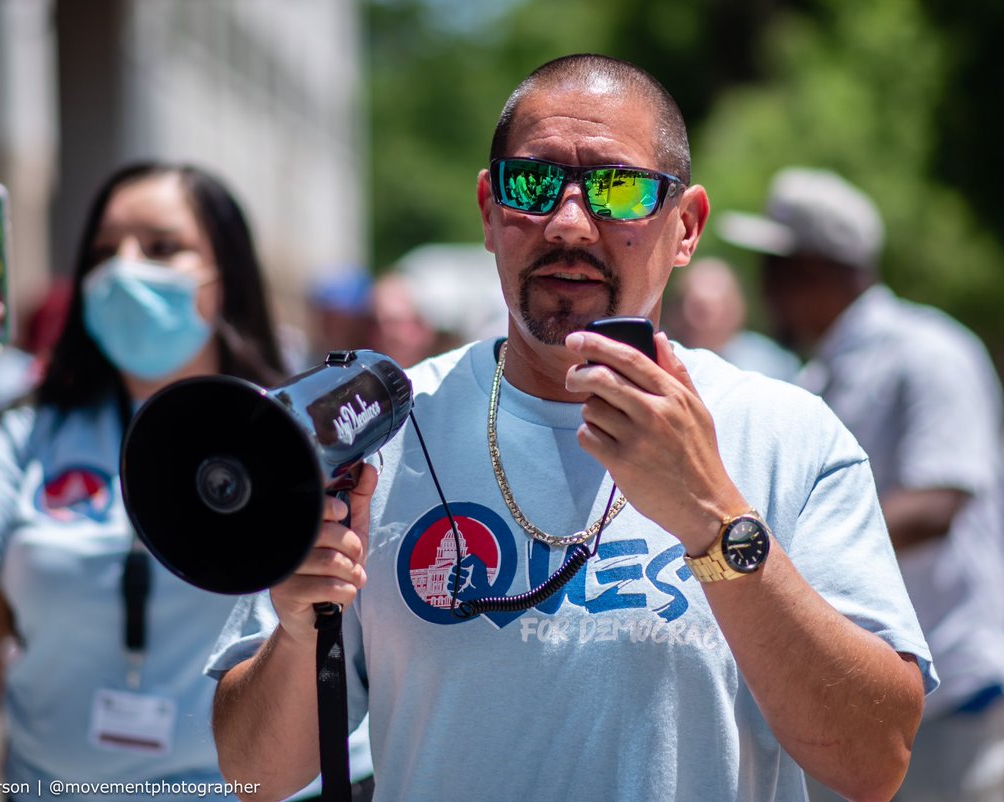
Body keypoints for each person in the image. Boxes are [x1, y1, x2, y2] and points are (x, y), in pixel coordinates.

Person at [207, 55, 934, 802]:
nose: (569, 223)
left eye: (619, 190)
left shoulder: (785, 435)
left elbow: (875, 761)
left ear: (686, 228)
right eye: (533, 183)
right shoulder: (377, 429)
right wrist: (299, 632)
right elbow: (253, 777)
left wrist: (714, 522)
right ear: (491, 211)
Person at [0, 162, 372, 801]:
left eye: (161, 247)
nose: (123, 268)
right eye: (104, 252)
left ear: (223, 278)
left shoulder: (302, 435)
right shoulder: (29, 439)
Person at [720, 166, 1004, 802]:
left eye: (774, 266)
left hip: (952, 694)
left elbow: (940, 501)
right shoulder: (818, 370)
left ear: (814, 270)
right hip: (861, 695)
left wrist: (775, 558)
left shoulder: (928, 352)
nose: (762, 285)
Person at [663, 256, 800, 380]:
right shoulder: (657, 353)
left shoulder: (772, 365)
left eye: (705, 311)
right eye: (690, 306)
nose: (696, 322)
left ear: (735, 310)